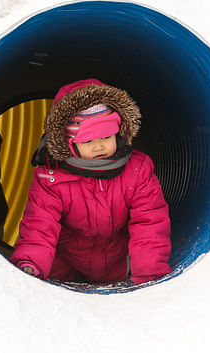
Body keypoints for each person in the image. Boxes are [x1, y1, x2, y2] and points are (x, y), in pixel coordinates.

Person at [9, 78, 171, 285]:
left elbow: (149, 223)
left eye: (106, 137)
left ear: (119, 134)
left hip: (118, 265)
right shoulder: (51, 177)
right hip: (65, 265)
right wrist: (30, 265)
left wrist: (150, 276)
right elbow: (40, 226)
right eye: (87, 141)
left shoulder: (137, 169)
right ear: (69, 142)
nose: (99, 147)